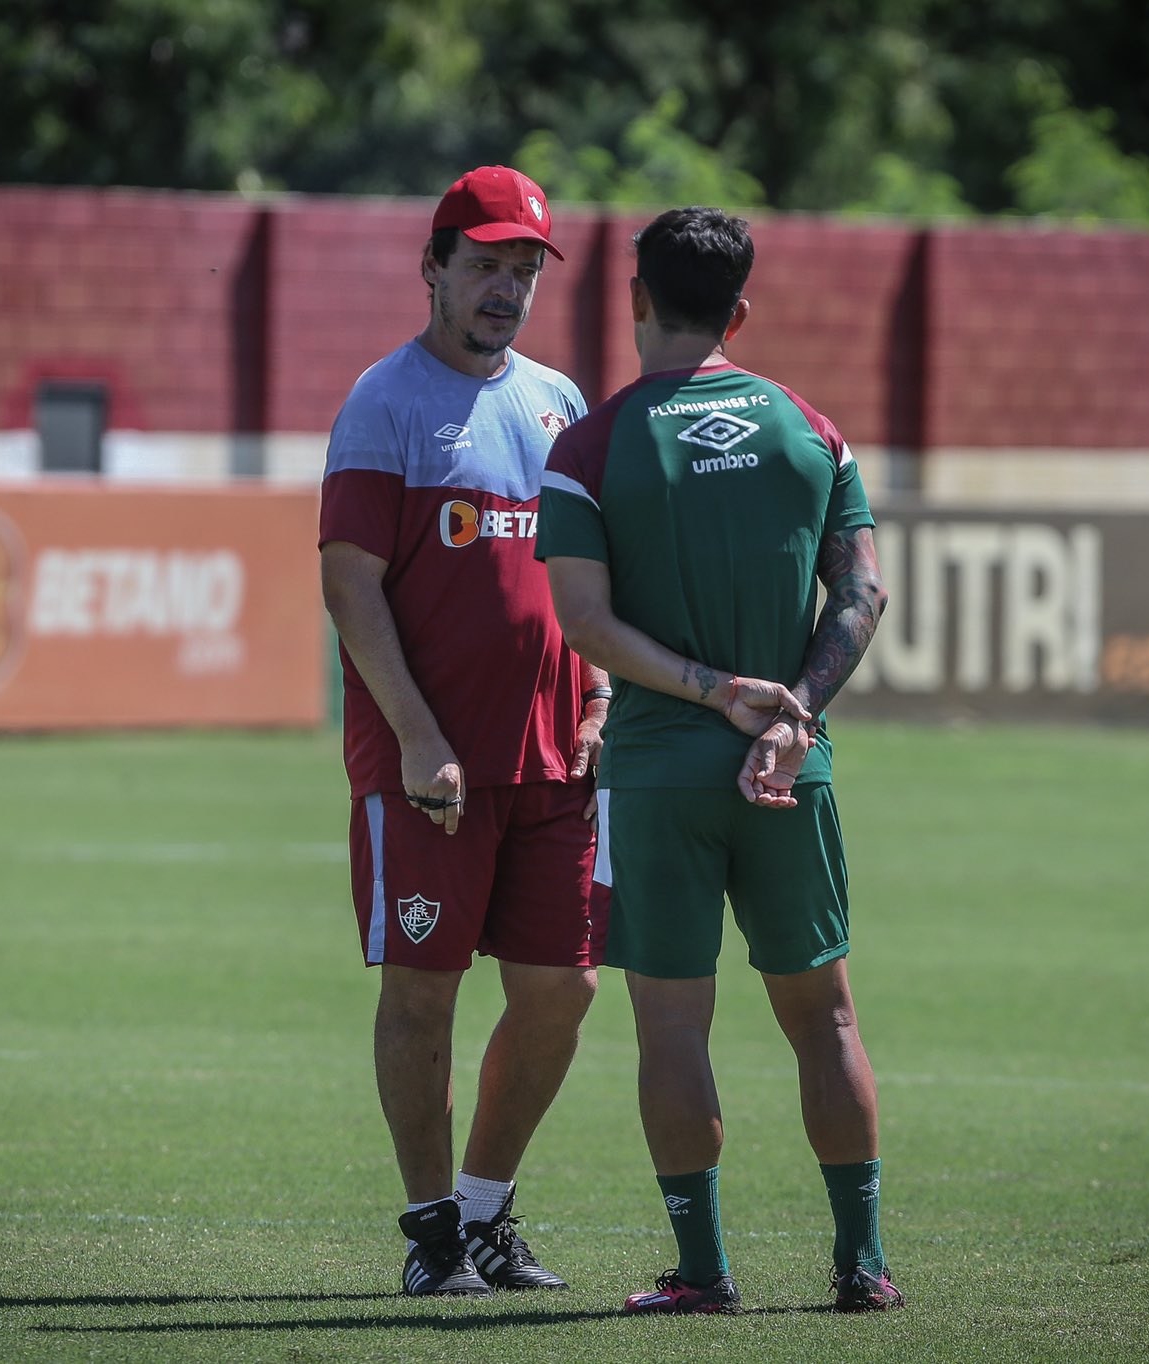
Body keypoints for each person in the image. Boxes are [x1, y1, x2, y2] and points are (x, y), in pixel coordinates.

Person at [535, 206, 902, 1315]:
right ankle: (862, 1264)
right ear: (739, 311)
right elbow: (863, 591)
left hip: (657, 776)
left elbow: (584, 625)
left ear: (635, 300)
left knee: (670, 1025)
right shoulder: (809, 431)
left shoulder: (589, 445)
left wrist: (706, 690)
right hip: (790, 774)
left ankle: (702, 1272)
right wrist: (790, 717)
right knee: (826, 1017)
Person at [318, 165, 609, 1298]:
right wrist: (417, 735)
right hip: (427, 766)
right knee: (421, 994)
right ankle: (431, 1231)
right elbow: (350, 586)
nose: (504, 288)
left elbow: (588, 575)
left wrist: (596, 696)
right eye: (483, 264)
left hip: (553, 759)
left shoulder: (559, 402)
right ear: (432, 266)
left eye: (523, 268)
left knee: (563, 990)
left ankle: (484, 1210)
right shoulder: (382, 401)